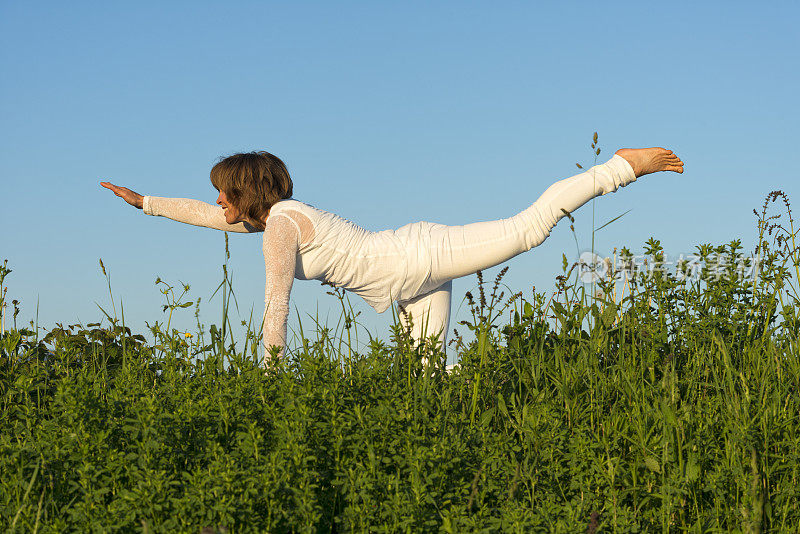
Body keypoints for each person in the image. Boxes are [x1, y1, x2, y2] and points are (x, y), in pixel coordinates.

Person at [101, 147, 684, 365]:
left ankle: (619, 168)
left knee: (528, 229)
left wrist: (269, 382)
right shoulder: (278, 218)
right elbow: (211, 219)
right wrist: (147, 203)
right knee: (430, 382)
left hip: (419, 255)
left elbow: (274, 304)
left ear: (244, 193)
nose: (216, 201)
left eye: (222, 191)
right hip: (410, 281)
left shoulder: (280, 227)